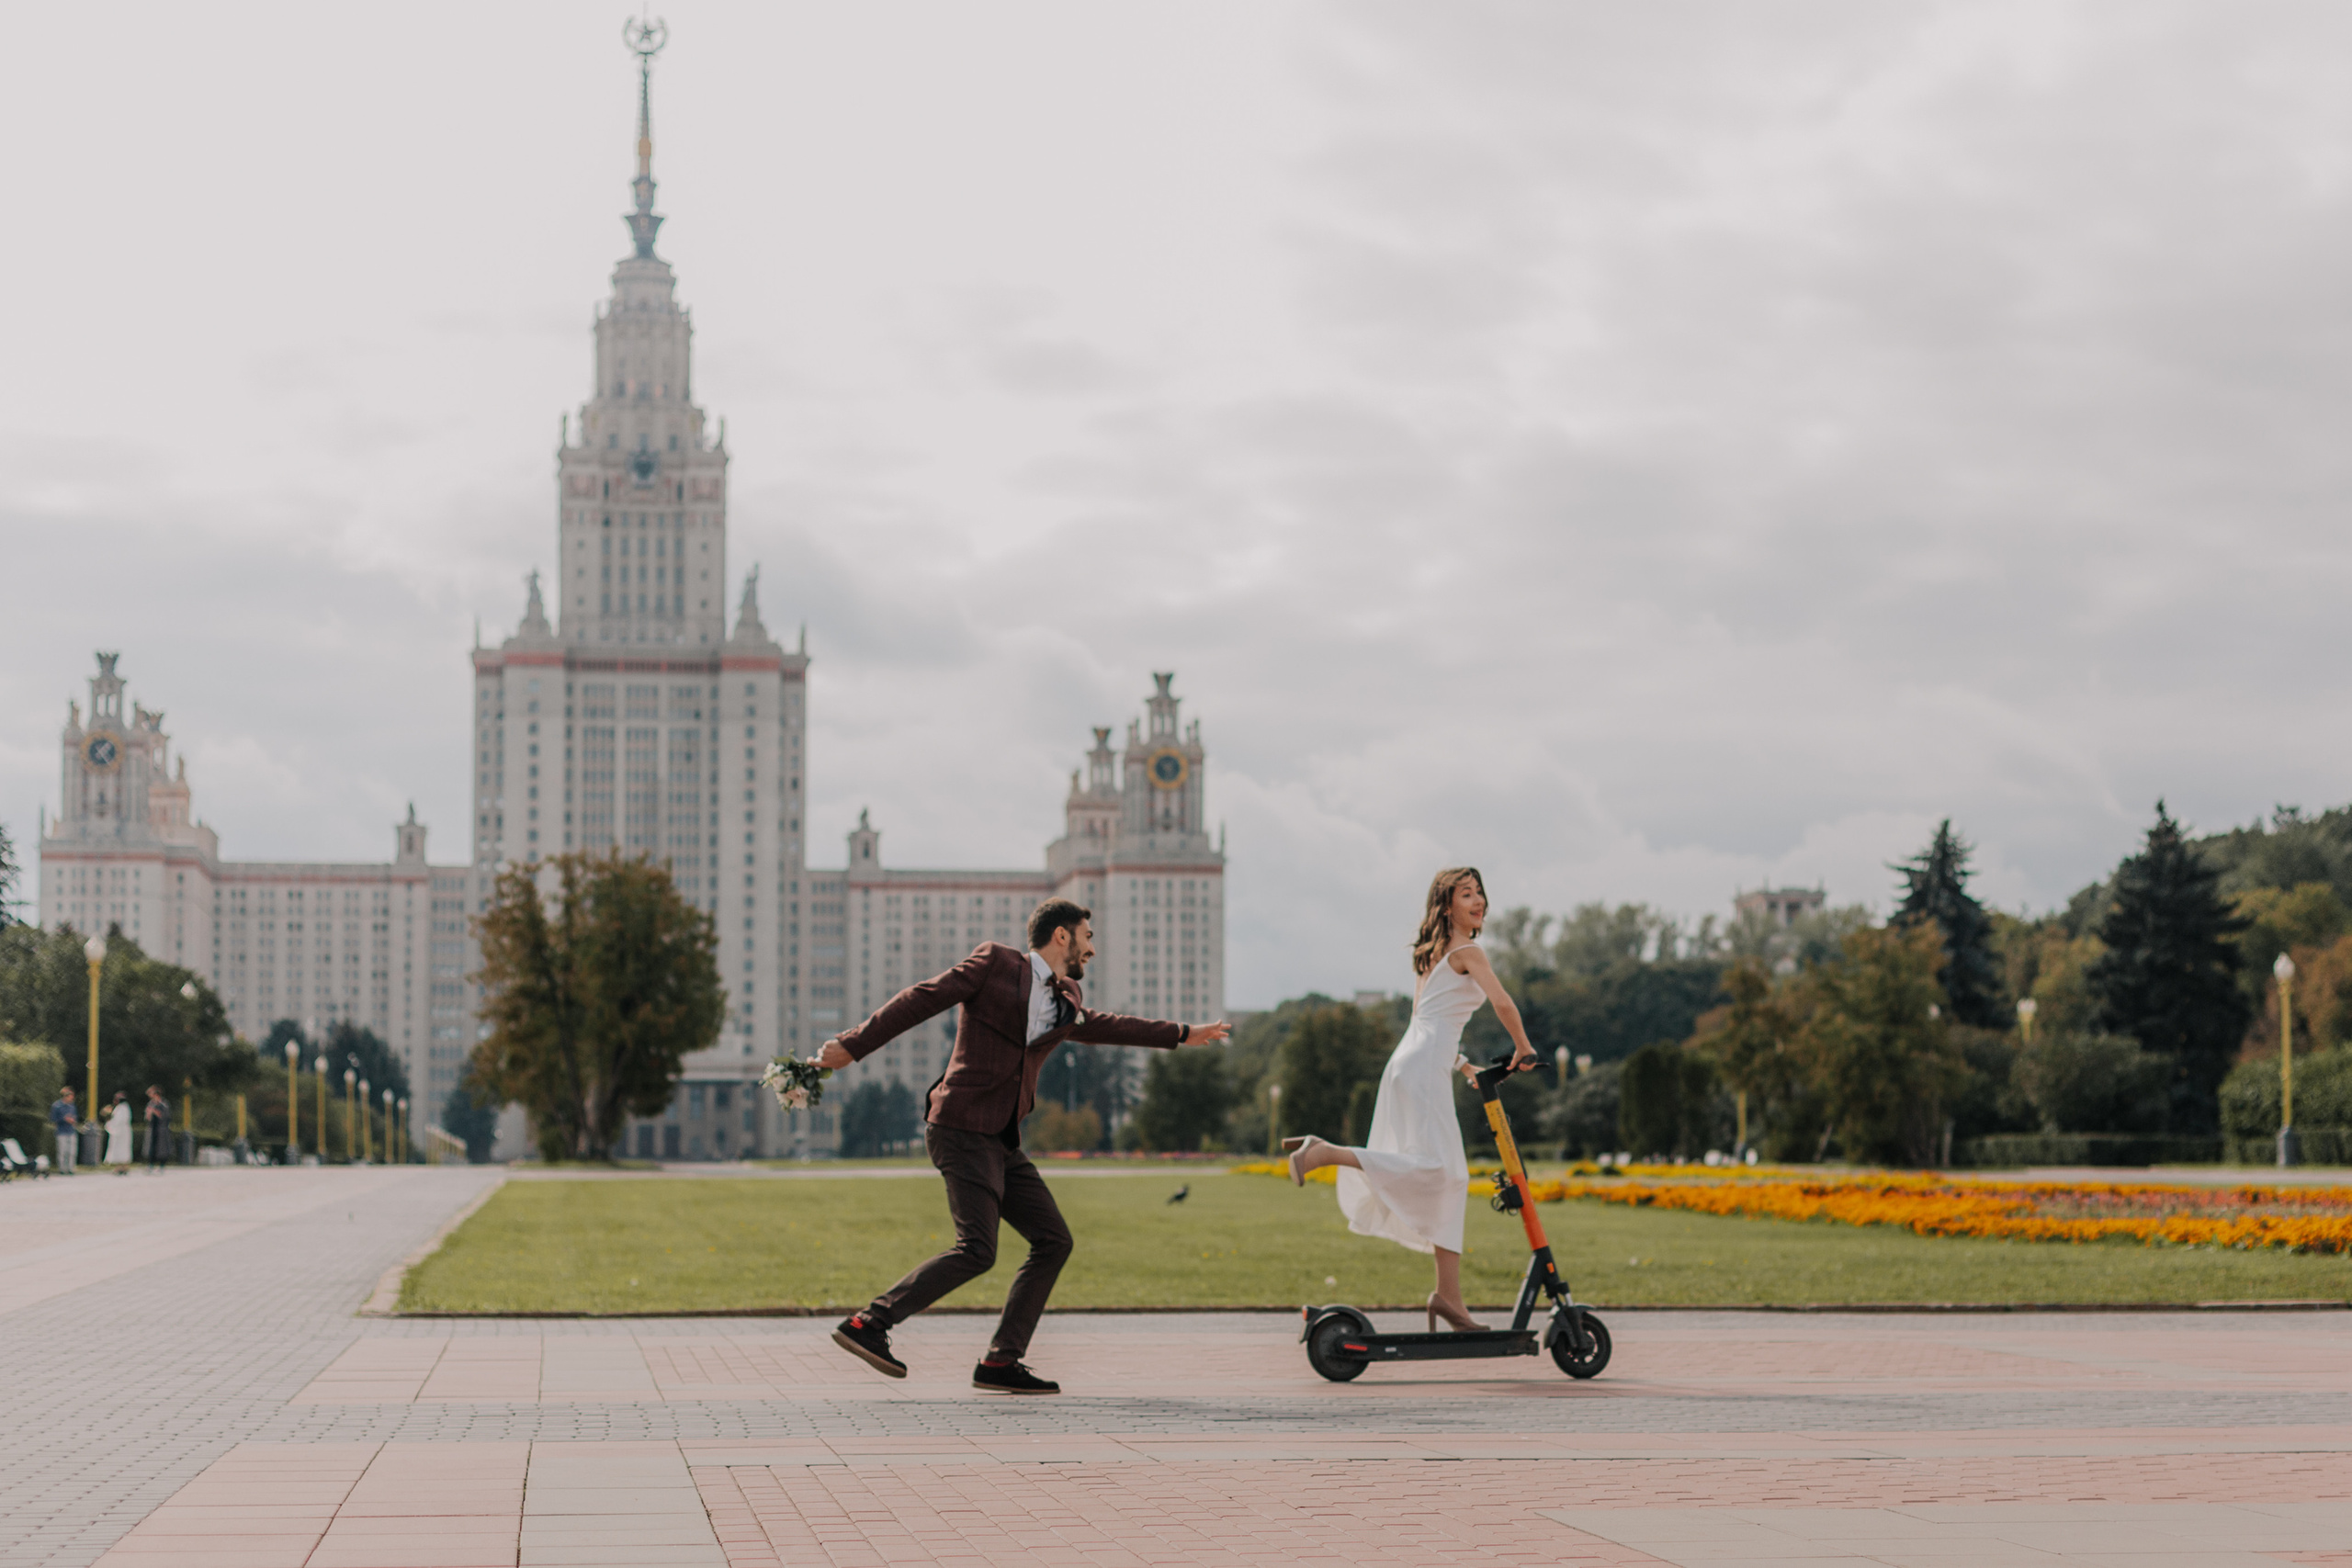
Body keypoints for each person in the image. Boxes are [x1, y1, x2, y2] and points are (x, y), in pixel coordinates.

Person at [818, 897, 1230, 1394]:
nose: (1091, 950)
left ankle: (1000, 1361)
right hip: (961, 1126)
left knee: (1054, 1239)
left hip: (1001, 1138)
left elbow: (1107, 1025)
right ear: (1062, 936)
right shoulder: (995, 963)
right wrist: (853, 1045)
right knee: (977, 1250)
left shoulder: (1068, 996)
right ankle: (870, 1324)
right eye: (1088, 937)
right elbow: (921, 998)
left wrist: (1182, 1033)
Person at [1282, 866, 1537, 1333]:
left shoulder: (1433, 954)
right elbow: (1500, 1001)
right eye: (1466, 894)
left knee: (1449, 1175)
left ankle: (1448, 1297)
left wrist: (1462, 1065)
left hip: (1416, 1064)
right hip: (1421, 1069)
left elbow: (1431, 1020)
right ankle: (1325, 1153)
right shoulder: (1466, 950)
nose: (1478, 900)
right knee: (1439, 1170)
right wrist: (1523, 1047)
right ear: (1446, 906)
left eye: (1480, 892)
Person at [49, 1086, 79, 1176]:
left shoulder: (72, 1106)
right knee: (62, 1151)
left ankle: (71, 1168)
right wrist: (64, 1119)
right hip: (61, 1131)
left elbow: (75, 1117)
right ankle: (62, 1168)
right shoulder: (57, 1106)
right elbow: (53, 1119)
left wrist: (73, 1120)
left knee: (72, 1151)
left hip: (71, 1131)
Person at [143, 1086, 172, 1172]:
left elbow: (165, 1116)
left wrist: (155, 1112)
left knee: (162, 1148)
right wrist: (149, 1113)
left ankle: (162, 1165)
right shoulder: (150, 1104)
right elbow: (147, 1118)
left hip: (161, 1128)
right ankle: (150, 1164)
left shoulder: (164, 1104)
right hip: (152, 1128)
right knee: (151, 1147)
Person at [103, 1092, 133, 1171]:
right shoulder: (124, 1108)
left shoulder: (122, 1108)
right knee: (122, 1149)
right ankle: (121, 1166)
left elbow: (118, 1121)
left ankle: (122, 1167)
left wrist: (109, 1122)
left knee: (121, 1149)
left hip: (121, 1132)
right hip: (123, 1132)